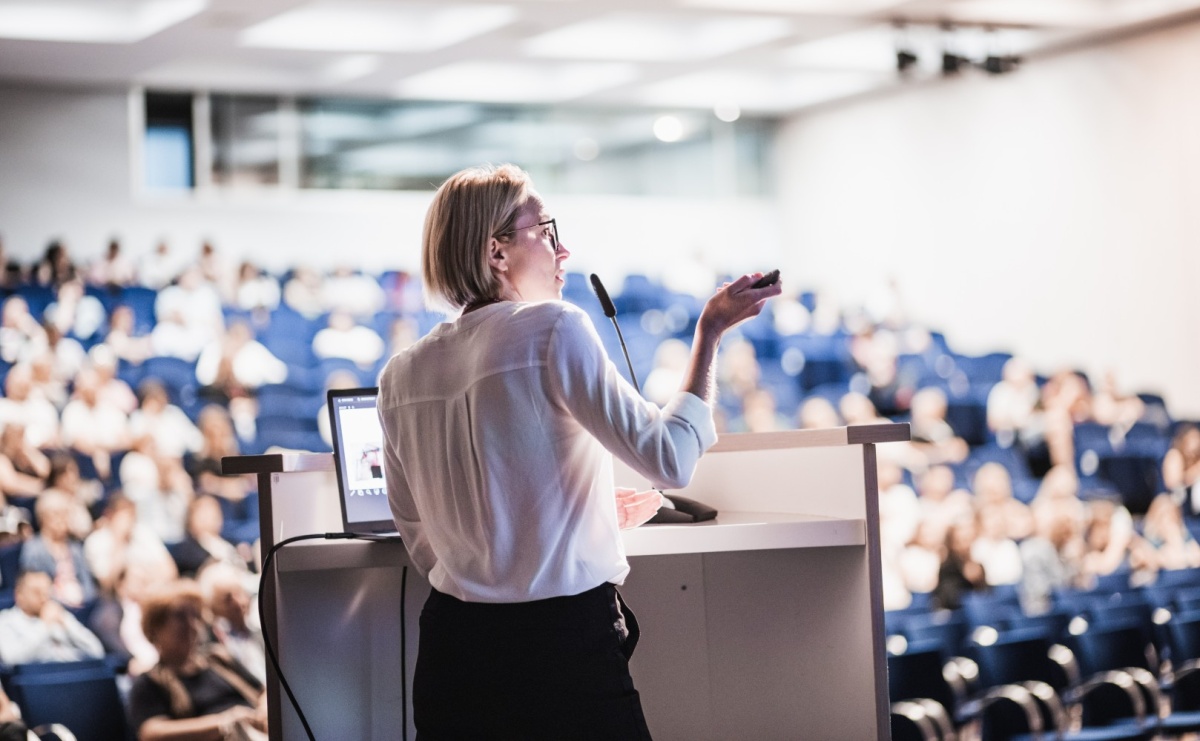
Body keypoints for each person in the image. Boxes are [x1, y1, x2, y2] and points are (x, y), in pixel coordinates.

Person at [378, 163, 779, 739]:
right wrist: (710, 333)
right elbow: (669, 459)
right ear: (497, 252)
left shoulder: (399, 374)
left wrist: (568, 516)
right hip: (558, 650)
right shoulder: (552, 328)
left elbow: (421, 533)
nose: (563, 250)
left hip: (451, 652)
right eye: (545, 230)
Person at [128, 581, 267, 741]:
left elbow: (263, 691)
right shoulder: (149, 682)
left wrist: (264, 713)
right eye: (180, 616)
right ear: (155, 628)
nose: (192, 625)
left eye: (195, 616)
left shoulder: (218, 659)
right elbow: (152, 733)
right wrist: (224, 723)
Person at [0, 571, 104, 664]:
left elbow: (97, 651)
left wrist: (66, 622)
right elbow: (12, 659)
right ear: (19, 594)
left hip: (74, 673)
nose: (44, 598)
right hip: (40, 679)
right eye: (37, 592)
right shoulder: (6, 620)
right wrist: (44, 625)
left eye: (47, 592)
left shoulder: (57, 615)